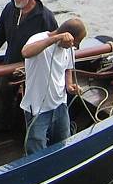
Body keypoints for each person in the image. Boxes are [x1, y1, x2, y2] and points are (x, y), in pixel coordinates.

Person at [0, 0, 57, 137]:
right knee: (4, 92)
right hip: (10, 60)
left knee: (31, 98)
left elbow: (54, 41)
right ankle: (4, 125)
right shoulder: (10, 9)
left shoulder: (45, 17)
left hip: (34, 65)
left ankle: (26, 128)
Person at [20, 17, 87, 155]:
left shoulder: (69, 49)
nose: (77, 47)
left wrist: (69, 85)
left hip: (60, 105)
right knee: (36, 148)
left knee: (62, 142)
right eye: (76, 43)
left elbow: (68, 68)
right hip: (38, 108)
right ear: (66, 36)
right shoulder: (38, 38)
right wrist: (56, 38)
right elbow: (26, 52)